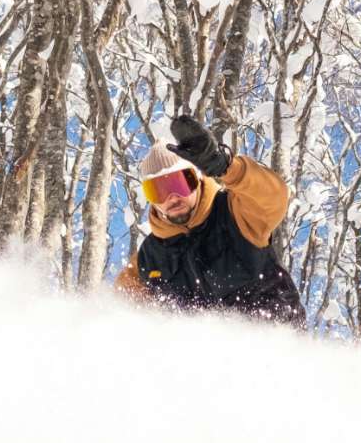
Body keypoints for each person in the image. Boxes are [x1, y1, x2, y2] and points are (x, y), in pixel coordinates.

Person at [114, 116, 301, 324]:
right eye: (158, 191)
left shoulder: (235, 213)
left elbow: (272, 197)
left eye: (180, 184)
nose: (172, 198)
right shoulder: (149, 257)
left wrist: (227, 167)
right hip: (204, 344)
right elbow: (122, 308)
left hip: (275, 334)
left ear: (198, 180)